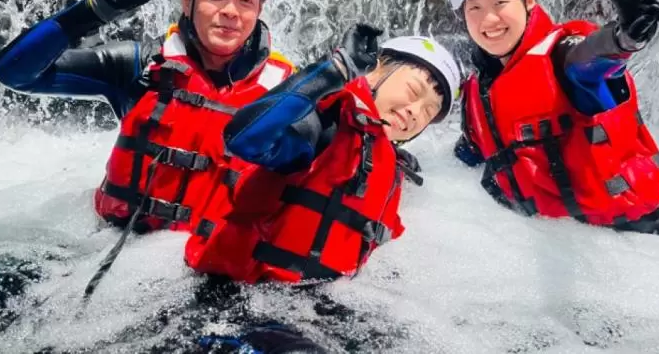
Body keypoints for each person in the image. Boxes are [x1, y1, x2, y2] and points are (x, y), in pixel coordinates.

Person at [0, 0, 295, 232]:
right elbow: (14, 73)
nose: (231, 11)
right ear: (188, 0)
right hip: (124, 252)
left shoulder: (287, 93)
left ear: (258, 11)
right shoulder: (141, 67)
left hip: (212, 264)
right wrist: (94, 11)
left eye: (246, 0)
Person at [185, 26, 459, 282]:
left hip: (309, 307)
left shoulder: (393, 166)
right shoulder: (324, 126)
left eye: (428, 111)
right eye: (413, 91)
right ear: (374, 73)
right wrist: (333, 72)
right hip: (237, 298)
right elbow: (243, 139)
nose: (415, 111)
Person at [448, 0, 659, 236]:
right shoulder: (477, 89)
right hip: (546, 241)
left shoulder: (563, 56)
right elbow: (467, 157)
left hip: (631, 241)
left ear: (529, 0)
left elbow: (592, 60)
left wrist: (624, 39)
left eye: (500, 3)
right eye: (475, 8)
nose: (489, 19)